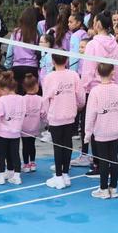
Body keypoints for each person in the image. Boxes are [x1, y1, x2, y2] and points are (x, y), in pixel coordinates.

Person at [42, 52, 83, 189]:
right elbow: (81, 96)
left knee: (58, 146)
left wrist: (46, 115)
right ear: (66, 60)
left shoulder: (49, 77)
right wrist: (78, 106)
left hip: (56, 116)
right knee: (67, 143)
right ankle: (64, 174)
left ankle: (60, 176)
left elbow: (45, 98)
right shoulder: (73, 75)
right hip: (70, 114)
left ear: (53, 61)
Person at [85, 60, 118, 199]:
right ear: (112, 73)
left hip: (101, 131)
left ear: (97, 73)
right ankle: (113, 188)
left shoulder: (95, 91)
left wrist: (87, 132)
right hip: (115, 130)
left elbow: (90, 114)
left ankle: (104, 189)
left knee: (103, 160)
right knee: (113, 159)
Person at [0, 72, 25, 186]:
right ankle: (15, 174)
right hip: (16, 131)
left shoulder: (3, 100)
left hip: (3, 132)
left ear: (5, 89)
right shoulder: (21, 98)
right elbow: (23, 112)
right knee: (15, 153)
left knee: (1, 153)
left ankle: (0, 175)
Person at [7, 7, 41, 86]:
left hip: (17, 67)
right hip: (32, 67)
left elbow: (10, 52)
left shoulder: (15, 33)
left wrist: (8, 66)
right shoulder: (36, 34)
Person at [20, 74, 44, 173]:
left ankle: (26, 164)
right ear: (36, 86)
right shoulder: (40, 99)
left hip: (24, 127)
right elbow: (43, 113)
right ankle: (33, 162)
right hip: (35, 126)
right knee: (32, 144)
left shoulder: (22, 99)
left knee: (25, 145)